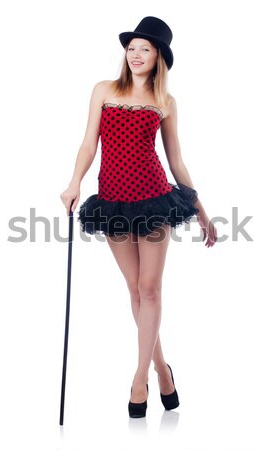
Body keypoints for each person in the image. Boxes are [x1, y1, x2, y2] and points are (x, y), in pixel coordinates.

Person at [60, 16, 218, 418]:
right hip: (112, 201)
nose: (135, 54)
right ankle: (163, 369)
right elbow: (87, 144)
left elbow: (176, 160)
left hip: (153, 199)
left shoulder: (165, 102)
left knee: (149, 289)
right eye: (131, 48)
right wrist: (74, 182)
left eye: (144, 49)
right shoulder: (104, 90)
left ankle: (139, 378)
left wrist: (201, 210)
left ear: (159, 57)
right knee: (133, 289)